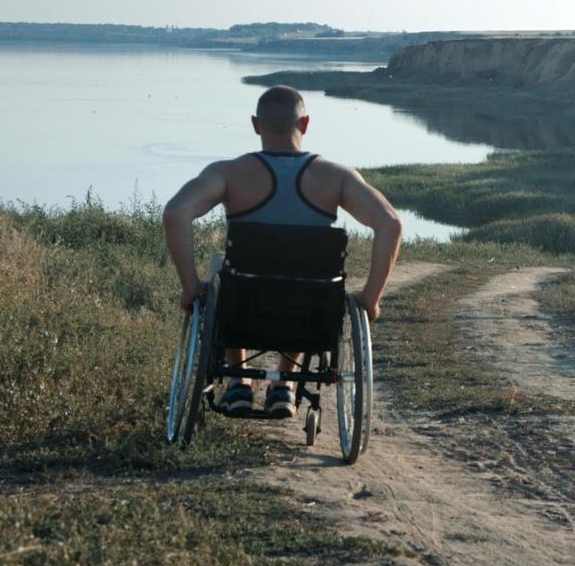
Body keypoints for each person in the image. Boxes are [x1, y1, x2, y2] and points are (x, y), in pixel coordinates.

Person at [163, 85, 402, 418]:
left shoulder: (227, 173)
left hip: (243, 304)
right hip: (308, 310)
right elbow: (390, 224)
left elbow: (176, 214)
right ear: (305, 124)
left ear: (255, 124)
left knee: (222, 263)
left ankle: (240, 381)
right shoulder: (336, 177)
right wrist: (371, 299)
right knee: (305, 279)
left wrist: (190, 288)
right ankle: (285, 384)